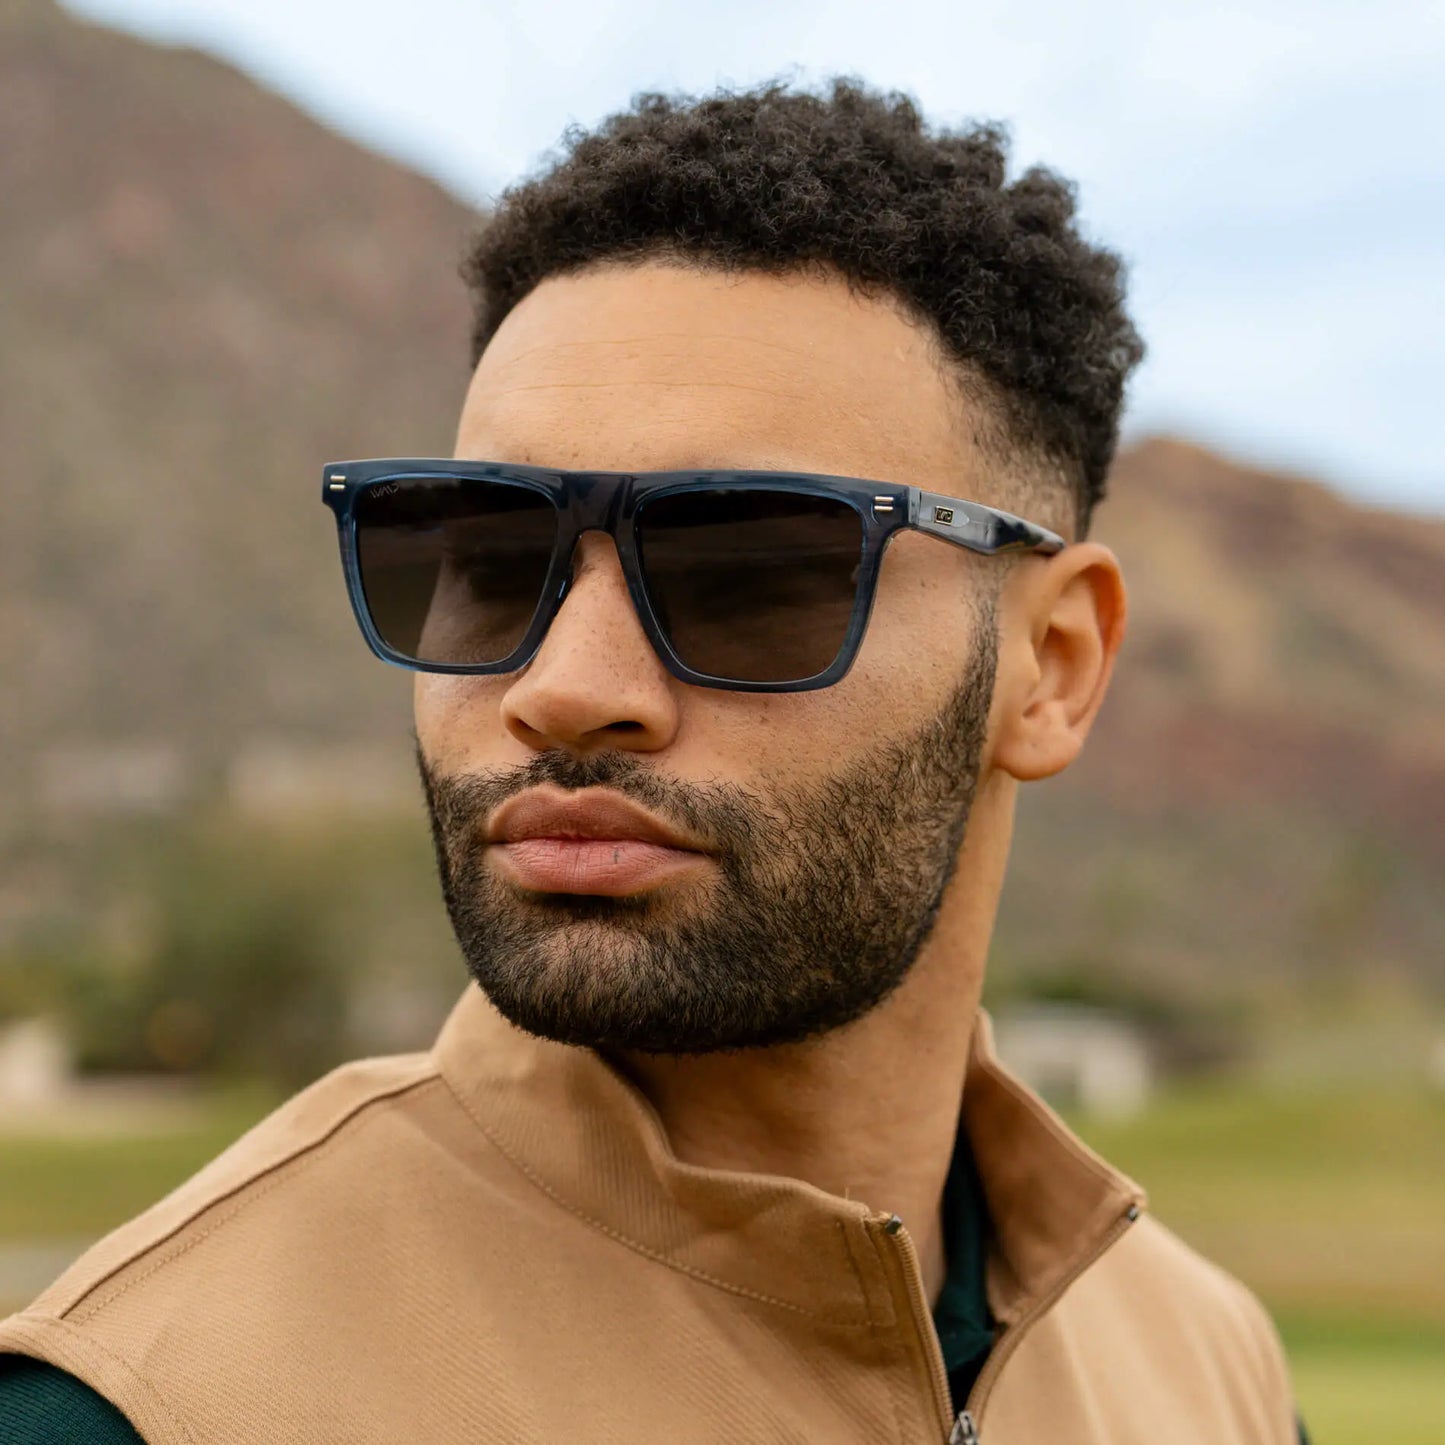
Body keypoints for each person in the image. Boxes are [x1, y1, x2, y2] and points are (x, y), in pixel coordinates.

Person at [0, 80, 1310, 1443]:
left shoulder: (1203, 1371)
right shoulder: (147, 1406)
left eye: (748, 569)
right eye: (493, 559)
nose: (562, 686)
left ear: (1052, 666)